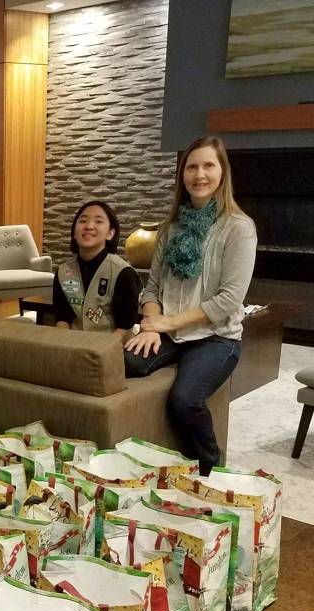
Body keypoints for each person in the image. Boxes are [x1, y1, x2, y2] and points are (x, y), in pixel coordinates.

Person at [124, 135, 257, 475]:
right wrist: (152, 323)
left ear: (222, 173)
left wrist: (168, 324)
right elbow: (151, 287)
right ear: (182, 174)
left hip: (216, 338)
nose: (200, 174)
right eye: (192, 166)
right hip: (168, 331)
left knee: (184, 401)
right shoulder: (170, 228)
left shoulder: (238, 229)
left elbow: (229, 300)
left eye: (208, 165)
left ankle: (211, 468)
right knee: (123, 364)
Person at [52, 200, 141, 338]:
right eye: (83, 221)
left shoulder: (123, 273)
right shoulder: (63, 272)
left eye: (98, 221)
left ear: (110, 234)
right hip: (73, 345)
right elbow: (62, 319)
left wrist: (99, 353)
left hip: (110, 348)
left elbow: (125, 328)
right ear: (74, 233)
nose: (89, 226)